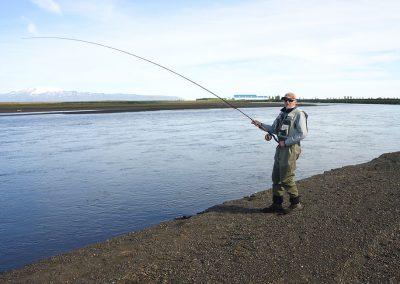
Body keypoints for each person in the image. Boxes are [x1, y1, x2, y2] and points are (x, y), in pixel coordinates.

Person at [252, 92, 308, 213]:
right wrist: (260, 125)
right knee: (276, 177)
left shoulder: (299, 114)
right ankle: (277, 205)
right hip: (280, 148)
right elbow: (273, 129)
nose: (287, 102)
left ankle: (296, 204)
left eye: (290, 100)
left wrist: (286, 142)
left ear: (295, 101)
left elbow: (303, 133)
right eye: (285, 100)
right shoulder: (282, 113)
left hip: (291, 149)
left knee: (287, 177)